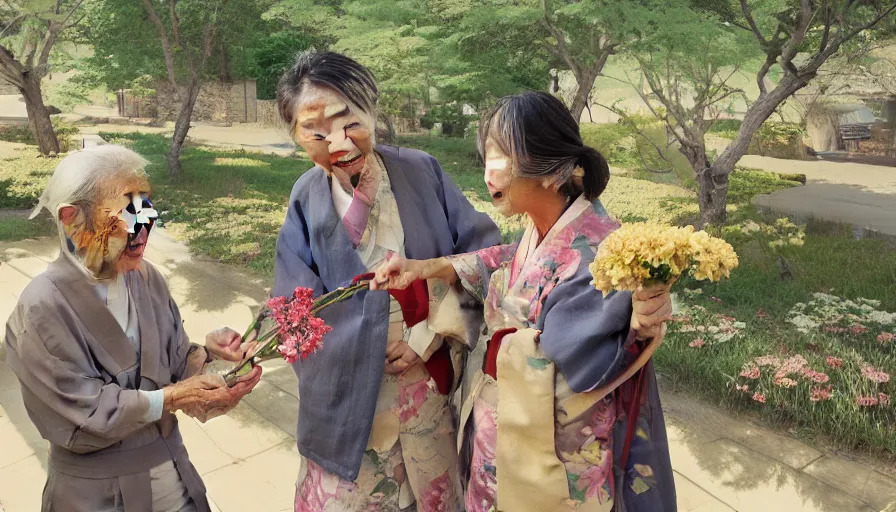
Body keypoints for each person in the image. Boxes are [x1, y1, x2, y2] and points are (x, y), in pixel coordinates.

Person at [374, 92, 677, 511]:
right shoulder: (548, 229)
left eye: (500, 158)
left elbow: (581, 359)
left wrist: (637, 322)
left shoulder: (603, 254)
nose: (488, 173)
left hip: (549, 456)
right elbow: (511, 261)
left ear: (551, 171)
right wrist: (431, 267)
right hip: (505, 436)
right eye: (487, 156)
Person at [271, 51, 501, 511]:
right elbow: (292, 313)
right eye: (314, 131)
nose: (337, 142)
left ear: (371, 109)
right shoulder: (306, 198)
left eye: (348, 120)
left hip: (424, 390)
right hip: (349, 405)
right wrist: (362, 342)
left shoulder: (421, 171)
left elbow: (485, 257)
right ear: (296, 135)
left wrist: (430, 334)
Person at [2, 145, 262, 512]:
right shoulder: (43, 306)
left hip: (175, 485)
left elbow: (174, 365)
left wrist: (212, 362)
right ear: (73, 220)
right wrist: (173, 398)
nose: (147, 221)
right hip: (97, 497)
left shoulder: (146, 278)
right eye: (127, 208)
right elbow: (82, 412)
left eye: (146, 203)